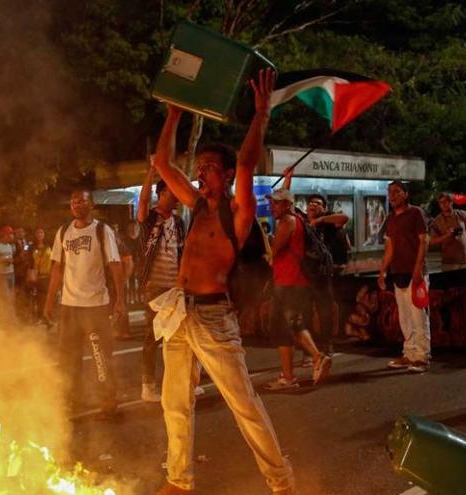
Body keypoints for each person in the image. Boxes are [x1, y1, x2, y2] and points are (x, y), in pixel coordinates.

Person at [150, 69, 294, 495]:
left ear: (228, 175)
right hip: (180, 313)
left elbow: (249, 161)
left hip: (214, 317)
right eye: (200, 168)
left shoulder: (238, 214)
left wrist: (262, 113)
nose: (201, 175)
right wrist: (174, 114)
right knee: (174, 403)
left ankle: (281, 481)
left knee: (244, 404)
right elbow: (162, 163)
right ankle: (178, 480)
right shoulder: (195, 207)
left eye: (210, 168)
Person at [44, 189, 125, 418]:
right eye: (73, 202)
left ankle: (109, 402)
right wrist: (50, 301)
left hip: (96, 306)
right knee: (68, 358)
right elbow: (57, 269)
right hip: (70, 307)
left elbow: (115, 265)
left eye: (81, 201)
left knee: (101, 356)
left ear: (92, 204)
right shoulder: (63, 233)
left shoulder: (102, 231)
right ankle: (72, 400)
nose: (76, 205)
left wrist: (120, 301)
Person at [261, 188, 332, 391]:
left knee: (291, 325)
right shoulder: (297, 219)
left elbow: (273, 254)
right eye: (271, 202)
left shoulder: (287, 222)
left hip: (289, 283)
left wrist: (266, 240)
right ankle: (288, 376)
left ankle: (317, 357)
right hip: (292, 282)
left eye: (275, 203)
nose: (271, 206)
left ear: (287, 204)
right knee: (286, 328)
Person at [281, 167, 348, 357]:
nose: (313, 205)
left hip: (322, 276)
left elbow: (344, 218)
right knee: (305, 312)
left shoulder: (328, 223)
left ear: (324, 208)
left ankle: (326, 345)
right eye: (311, 202)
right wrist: (288, 179)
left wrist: (319, 221)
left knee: (324, 310)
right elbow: (287, 205)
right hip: (304, 274)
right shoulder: (300, 220)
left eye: (318, 203)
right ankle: (308, 351)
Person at [136, 167, 185, 402]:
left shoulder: (178, 221)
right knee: (152, 336)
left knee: (176, 336)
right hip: (154, 286)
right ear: (162, 193)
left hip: (175, 287)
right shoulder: (150, 218)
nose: (177, 196)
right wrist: (151, 171)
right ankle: (148, 385)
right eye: (173, 192)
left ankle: (176, 383)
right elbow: (143, 201)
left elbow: (182, 252)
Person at [378, 180, 431, 373]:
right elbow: (389, 247)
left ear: (405, 194)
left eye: (396, 191)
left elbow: (423, 242)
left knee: (418, 315)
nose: (392, 195)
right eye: (389, 192)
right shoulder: (391, 218)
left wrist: (418, 269)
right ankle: (408, 353)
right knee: (405, 316)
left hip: (414, 272)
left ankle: (422, 355)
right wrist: (383, 270)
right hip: (398, 271)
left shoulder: (416, 213)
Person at [429, 192, 466, 271]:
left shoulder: (462, 214)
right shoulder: (436, 221)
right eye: (441, 202)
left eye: (446, 201)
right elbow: (432, 241)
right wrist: (447, 235)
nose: (444, 204)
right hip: (450, 262)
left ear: (451, 202)